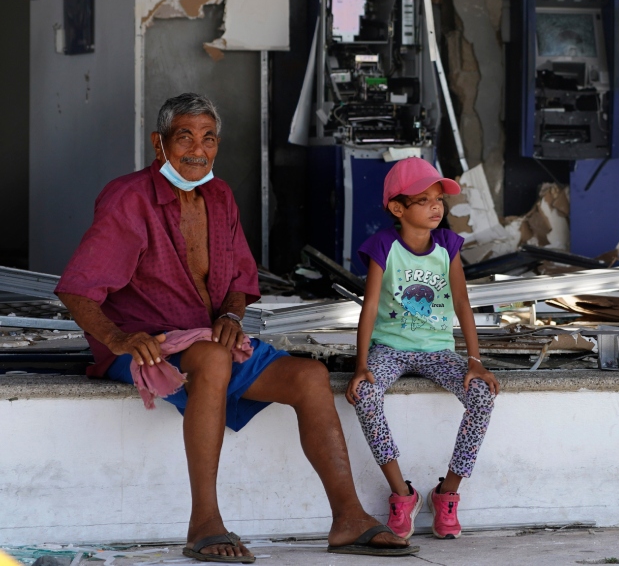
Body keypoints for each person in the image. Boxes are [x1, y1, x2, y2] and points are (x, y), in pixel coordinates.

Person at [56, 93, 417, 562]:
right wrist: (120, 340)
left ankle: (348, 518)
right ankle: (204, 523)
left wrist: (229, 315)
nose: (197, 149)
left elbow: (240, 283)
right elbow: (77, 289)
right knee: (211, 356)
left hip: (210, 340)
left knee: (308, 377)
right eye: (184, 136)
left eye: (208, 139)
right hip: (144, 345)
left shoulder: (220, 196)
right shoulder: (129, 198)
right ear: (159, 144)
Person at [345, 157, 500, 541]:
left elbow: (462, 302)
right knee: (365, 395)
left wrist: (474, 361)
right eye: (424, 199)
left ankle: (447, 494)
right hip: (390, 349)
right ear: (398, 208)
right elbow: (369, 307)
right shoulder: (384, 245)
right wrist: (362, 364)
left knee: (481, 395)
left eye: (438, 199)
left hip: (437, 351)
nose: (436, 206)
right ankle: (403, 494)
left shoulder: (447, 245)